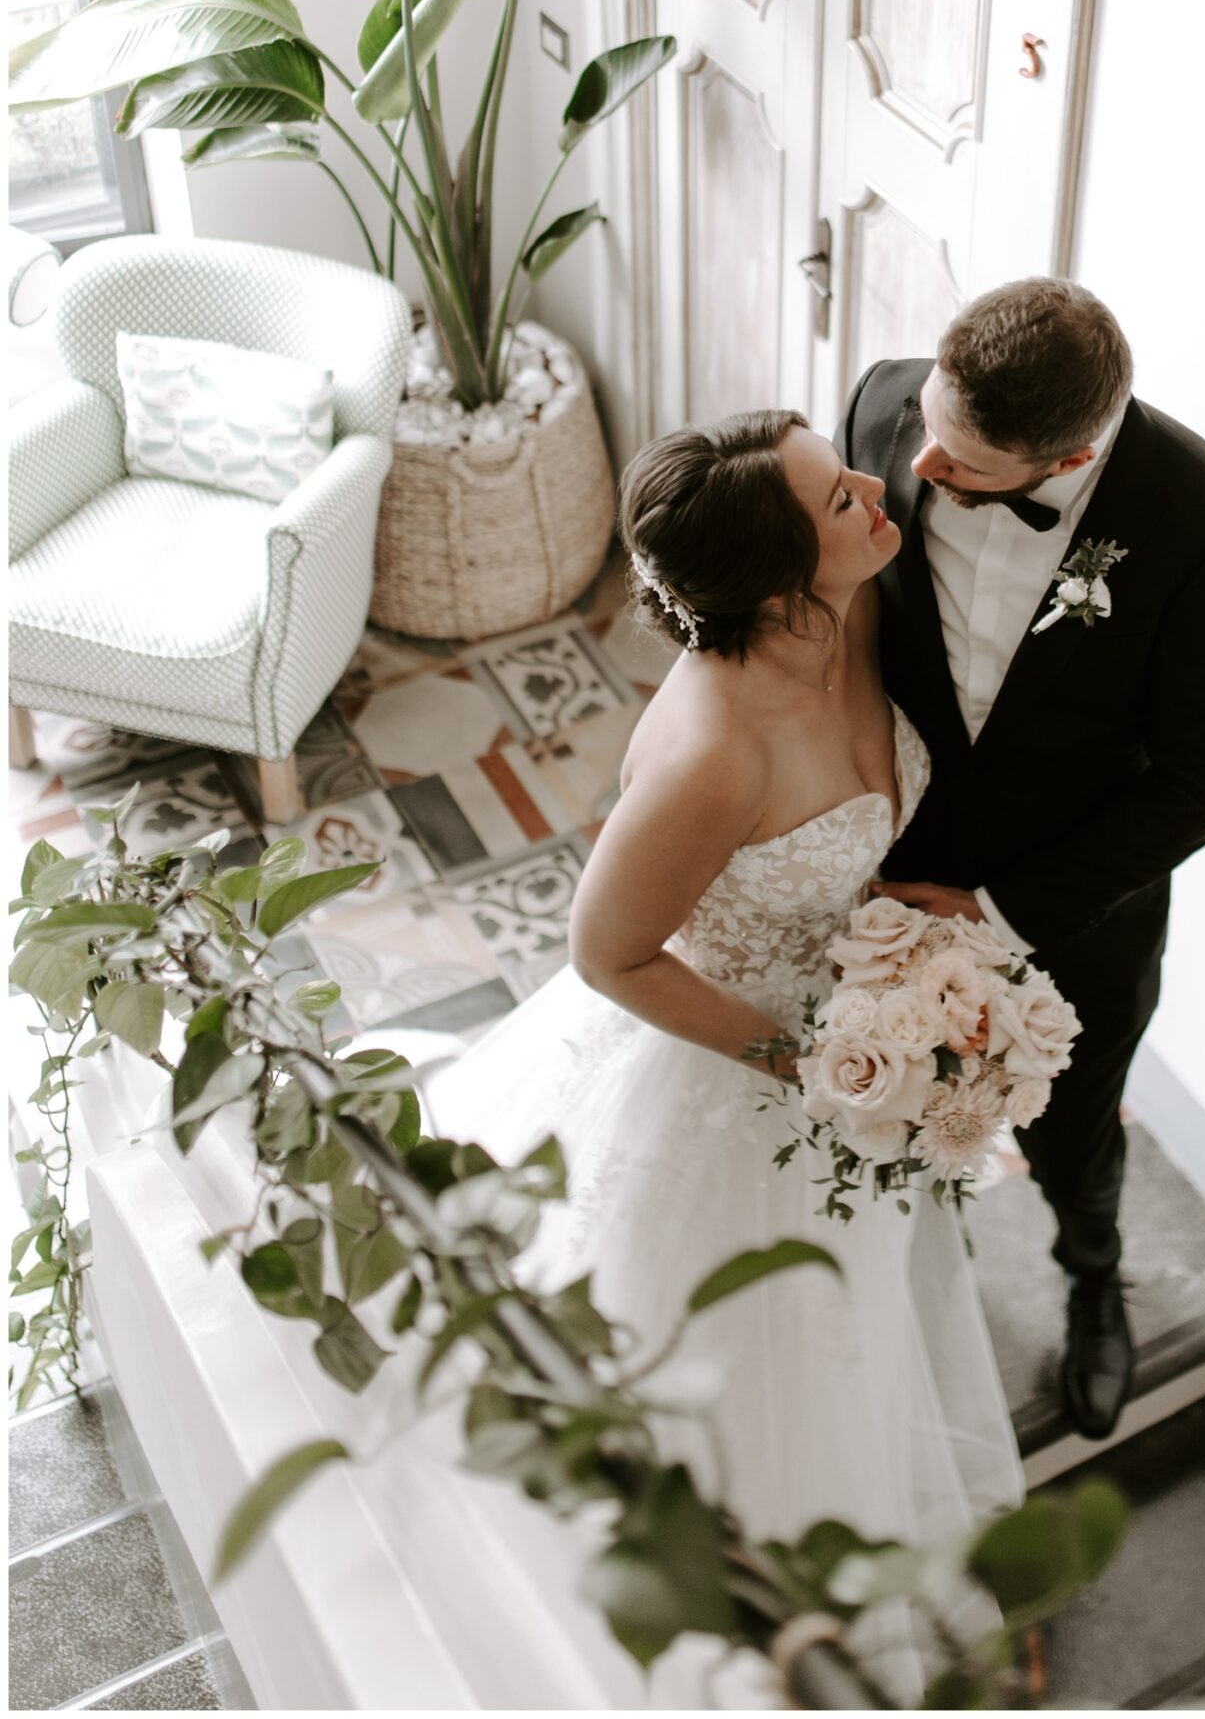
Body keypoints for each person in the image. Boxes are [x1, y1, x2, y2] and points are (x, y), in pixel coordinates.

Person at [418, 408, 1022, 1586]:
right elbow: (608, 954)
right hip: (733, 1054)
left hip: (857, 1035)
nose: (868, 482)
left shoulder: (846, 618)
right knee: (738, 1355)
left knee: (847, 1333)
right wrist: (801, 1061)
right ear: (769, 578)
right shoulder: (711, 751)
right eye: (834, 497)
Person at [835, 280, 1205, 1441]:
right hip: (882, 867)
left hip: (1071, 911)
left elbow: (1202, 778)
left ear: (1070, 453)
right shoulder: (884, 403)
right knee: (863, 1096)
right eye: (927, 424)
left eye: (963, 460)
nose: (919, 462)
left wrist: (998, 913)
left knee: (1072, 1132)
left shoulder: (1199, 519)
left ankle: (1091, 1278)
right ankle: (894, 1290)